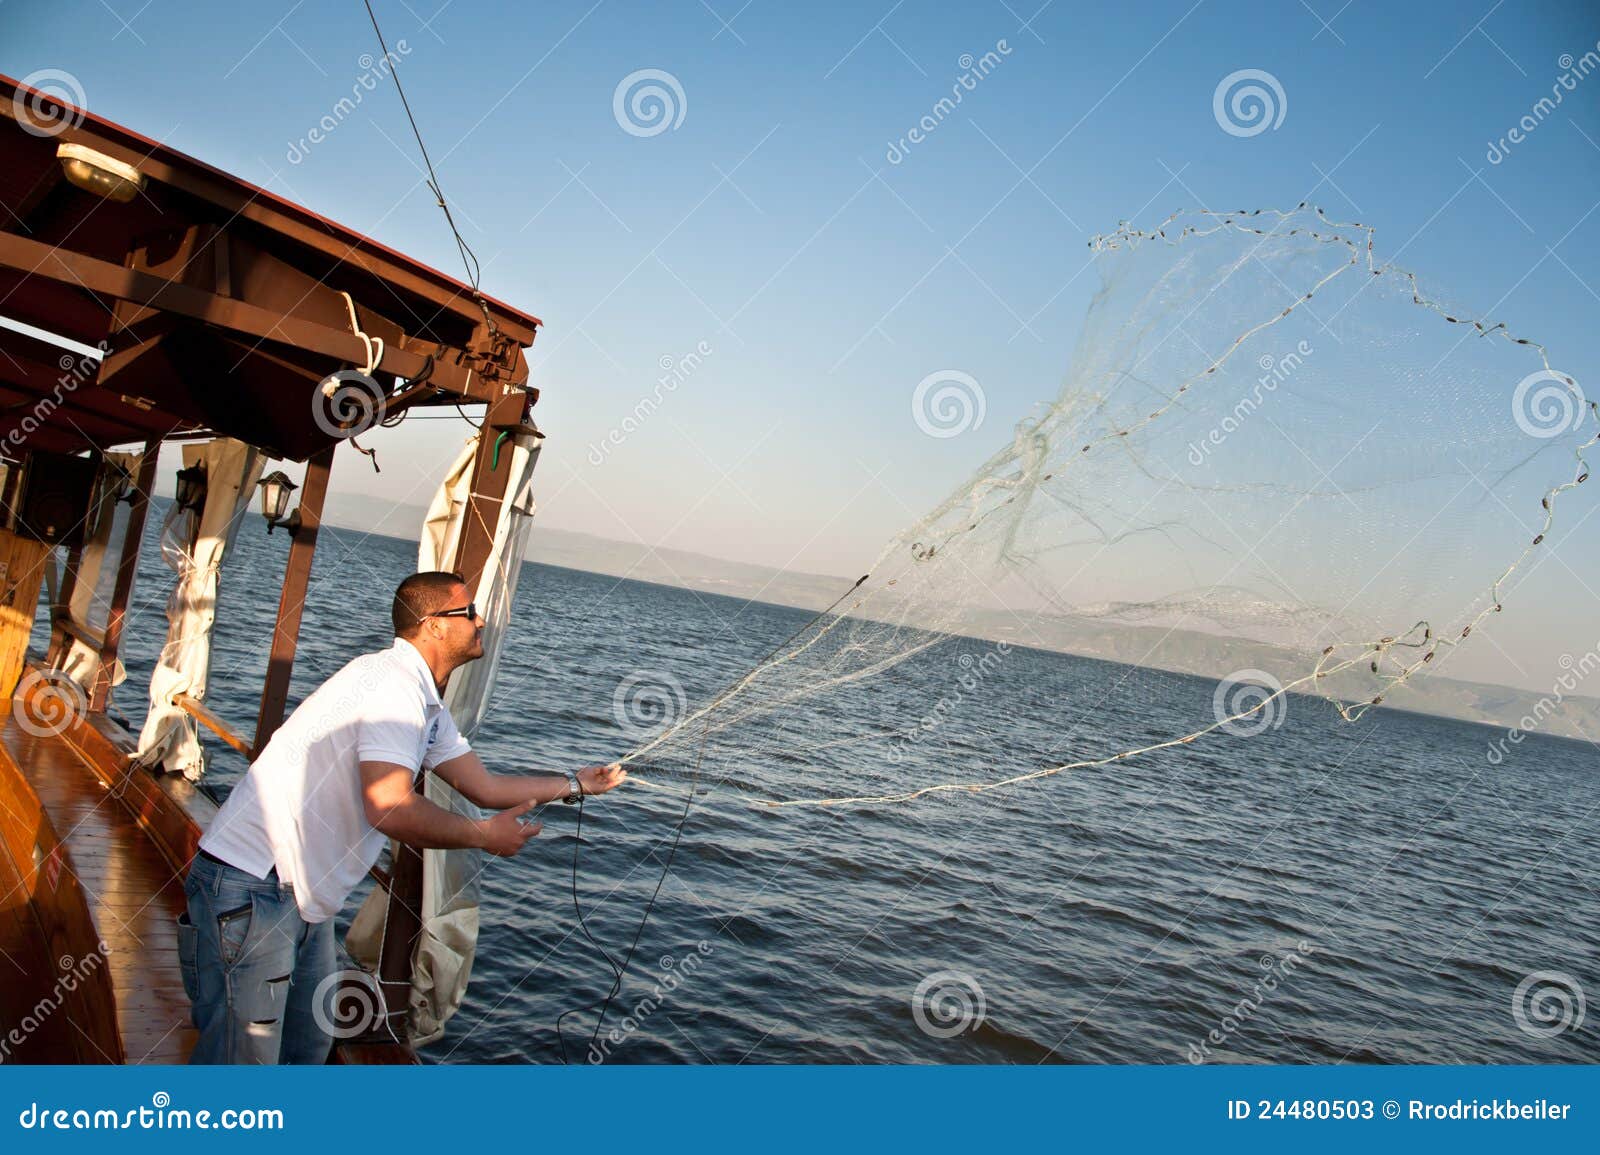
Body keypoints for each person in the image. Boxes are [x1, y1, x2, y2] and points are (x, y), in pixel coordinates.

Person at [177, 570, 627, 1063]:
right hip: (255, 889)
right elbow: (389, 805)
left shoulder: (423, 699)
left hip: (298, 896)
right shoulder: (393, 688)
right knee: (243, 1064)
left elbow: (485, 787)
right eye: (469, 612)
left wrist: (577, 783)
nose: (481, 622)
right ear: (433, 624)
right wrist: (481, 836)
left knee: (305, 1050)